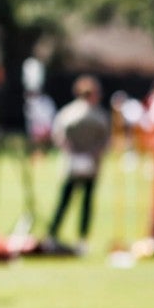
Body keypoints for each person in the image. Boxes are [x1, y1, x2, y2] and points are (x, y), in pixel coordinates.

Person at [43, 75, 110, 255]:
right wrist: (86, 153)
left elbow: (58, 135)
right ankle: (71, 238)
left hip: (79, 163)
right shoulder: (94, 114)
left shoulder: (70, 112)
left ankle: (56, 235)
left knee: (73, 201)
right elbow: (105, 140)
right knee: (75, 202)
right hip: (82, 164)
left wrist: (76, 151)